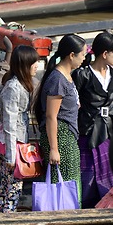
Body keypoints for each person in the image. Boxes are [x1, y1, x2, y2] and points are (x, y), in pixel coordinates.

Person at [33, 34, 87, 208]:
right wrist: (54, 149)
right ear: (72, 55)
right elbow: (50, 116)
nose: (84, 58)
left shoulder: (67, 76)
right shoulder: (57, 79)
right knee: (62, 185)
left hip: (68, 136)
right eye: (83, 54)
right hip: (60, 137)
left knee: (70, 183)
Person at [0, 45, 40, 213]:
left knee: (7, 186)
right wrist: (11, 156)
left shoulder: (21, 83)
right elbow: (9, 123)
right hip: (11, 143)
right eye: (33, 63)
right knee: (13, 187)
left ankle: (0, 217)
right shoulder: (13, 87)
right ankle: (8, 218)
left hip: (15, 141)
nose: (36, 66)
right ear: (23, 65)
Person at [72, 32, 113, 208]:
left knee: (110, 175)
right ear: (105, 54)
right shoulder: (82, 74)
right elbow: (72, 103)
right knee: (88, 176)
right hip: (88, 131)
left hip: (110, 131)